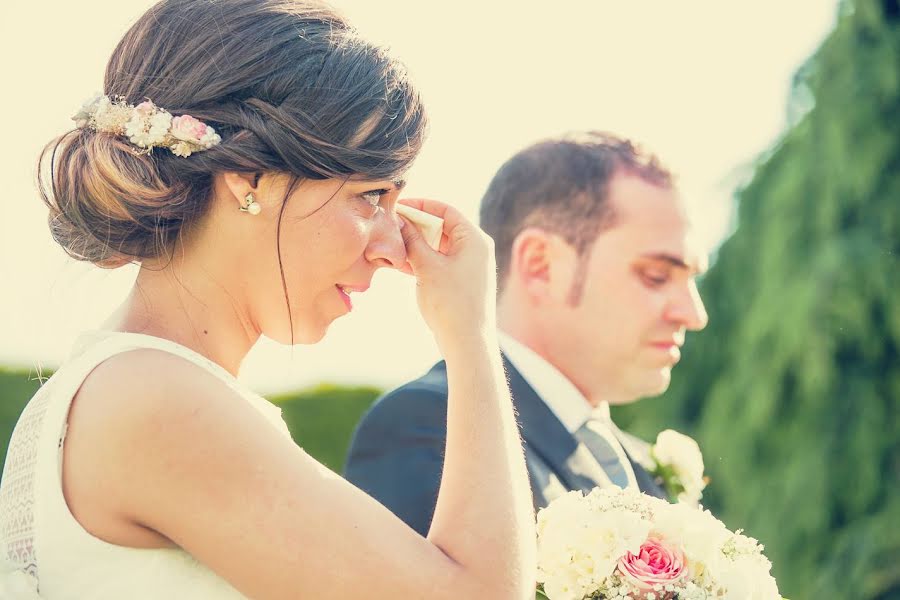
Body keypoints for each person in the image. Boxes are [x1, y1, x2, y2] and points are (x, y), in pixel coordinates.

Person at [0, 1, 536, 598]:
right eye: (370, 195)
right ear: (249, 177)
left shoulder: (126, 387)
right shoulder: (154, 400)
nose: (393, 247)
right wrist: (470, 335)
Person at [345, 132, 709, 535]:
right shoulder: (430, 427)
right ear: (540, 265)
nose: (694, 314)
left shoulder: (637, 465)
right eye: (657, 276)